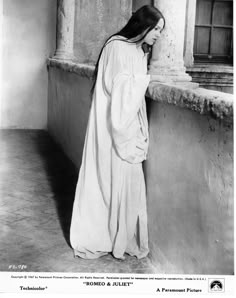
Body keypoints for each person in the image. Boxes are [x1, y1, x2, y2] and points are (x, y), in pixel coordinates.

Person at [70, 5, 165, 261]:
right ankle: (106, 235)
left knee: (126, 179)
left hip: (126, 124)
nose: (158, 35)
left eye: (160, 30)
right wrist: (145, 80)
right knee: (108, 176)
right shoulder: (117, 45)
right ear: (142, 24)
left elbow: (129, 87)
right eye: (155, 28)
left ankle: (120, 237)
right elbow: (119, 89)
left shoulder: (138, 50)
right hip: (112, 124)